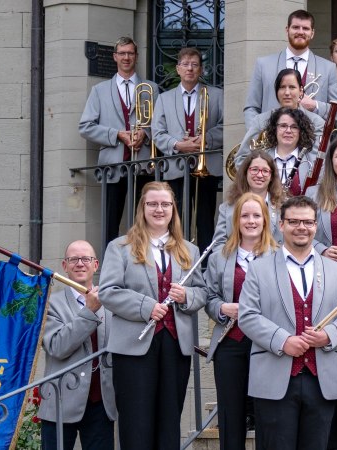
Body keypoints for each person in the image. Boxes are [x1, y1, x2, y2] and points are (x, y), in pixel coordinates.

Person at [238, 195, 337, 450]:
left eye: (307, 222)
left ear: (316, 226)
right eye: (293, 221)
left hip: (322, 378)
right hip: (274, 377)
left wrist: (328, 336)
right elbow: (247, 316)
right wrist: (284, 341)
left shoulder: (336, 270)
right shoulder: (259, 268)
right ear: (281, 225)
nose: (301, 227)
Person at [98, 181, 207, 450]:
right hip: (134, 347)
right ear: (142, 208)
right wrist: (145, 306)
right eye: (153, 204)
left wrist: (186, 297)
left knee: (169, 422)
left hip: (174, 346)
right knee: (136, 425)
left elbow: (202, 292)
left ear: (173, 209)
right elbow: (108, 292)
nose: (159, 209)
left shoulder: (189, 251)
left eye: (165, 204)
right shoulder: (119, 247)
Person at [204, 192, 279, 450]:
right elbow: (209, 297)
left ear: (265, 220)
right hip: (230, 344)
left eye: (256, 215)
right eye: (245, 216)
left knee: (266, 416)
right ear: (236, 220)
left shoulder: (279, 256)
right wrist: (223, 307)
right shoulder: (220, 256)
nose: (251, 221)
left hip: (266, 346)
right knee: (230, 416)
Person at [79, 36, 158, 246]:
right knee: (110, 223)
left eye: (130, 53)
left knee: (144, 222)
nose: (126, 57)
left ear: (136, 56)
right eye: (122, 53)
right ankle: (110, 271)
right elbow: (85, 126)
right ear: (115, 57)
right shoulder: (99, 91)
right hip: (113, 166)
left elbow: (161, 124)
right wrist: (117, 134)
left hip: (143, 165)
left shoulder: (151, 88)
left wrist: (146, 133)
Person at [38, 240, 116, 450]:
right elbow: (57, 346)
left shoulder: (111, 302)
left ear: (96, 265)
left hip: (101, 403)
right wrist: (88, 312)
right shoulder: (50, 303)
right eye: (74, 259)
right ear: (65, 266)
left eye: (86, 259)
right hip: (60, 404)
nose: (80, 264)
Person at [152, 47, 224, 250]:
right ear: (177, 69)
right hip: (176, 166)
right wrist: (178, 145)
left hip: (207, 166)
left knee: (205, 220)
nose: (190, 69)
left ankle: (204, 266)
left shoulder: (217, 95)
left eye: (194, 65)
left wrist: (205, 139)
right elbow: (157, 132)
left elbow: (225, 126)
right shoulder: (164, 99)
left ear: (201, 70)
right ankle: (178, 262)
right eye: (185, 65)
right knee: (176, 219)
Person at [244, 9, 337, 124]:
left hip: (312, 140)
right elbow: (251, 108)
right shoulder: (263, 64)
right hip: (273, 139)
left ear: (312, 33)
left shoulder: (328, 68)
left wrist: (315, 105)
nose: (300, 32)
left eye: (305, 28)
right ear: (287, 30)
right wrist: (258, 135)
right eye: (295, 27)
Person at [236, 69, 326, 162]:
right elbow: (242, 158)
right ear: (276, 92)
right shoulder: (260, 121)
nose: (287, 93)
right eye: (282, 87)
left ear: (301, 91)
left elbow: (319, 161)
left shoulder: (317, 123)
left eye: (292, 87)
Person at [212, 149, 285, 252]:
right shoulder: (226, 208)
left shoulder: (284, 207)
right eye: (254, 169)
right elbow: (218, 244)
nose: (259, 175)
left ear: (272, 176)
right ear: (245, 172)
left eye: (265, 171)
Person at [240, 107, 318, 197]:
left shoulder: (313, 161)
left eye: (294, 127)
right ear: (275, 129)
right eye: (283, 126)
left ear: (301, 131)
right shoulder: (260, 158)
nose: (288, 131)